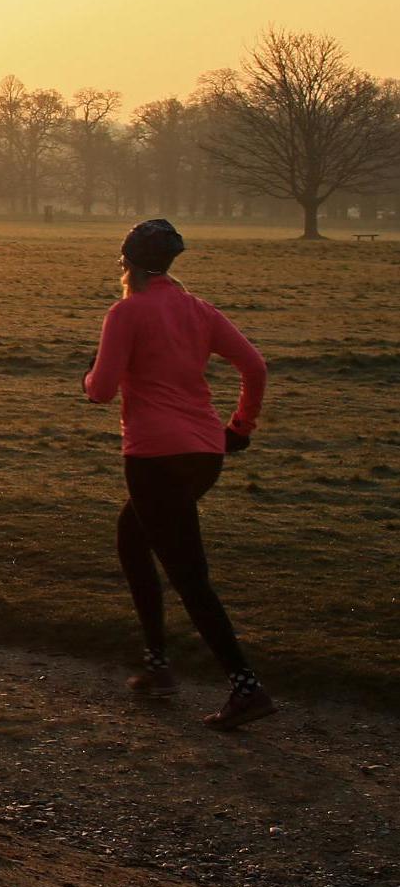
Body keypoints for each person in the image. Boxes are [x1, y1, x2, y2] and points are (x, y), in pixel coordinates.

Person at [83, 218, 273, 730]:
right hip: (204, 452)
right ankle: (157, 664)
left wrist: (90, 377)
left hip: (153, 457)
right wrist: (241, 426)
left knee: (189, 576)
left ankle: (244, 686)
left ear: (127, 263)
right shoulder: (200, 311)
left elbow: (100, 390)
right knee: (132, 537)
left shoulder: (126, 312)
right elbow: (255, 367)